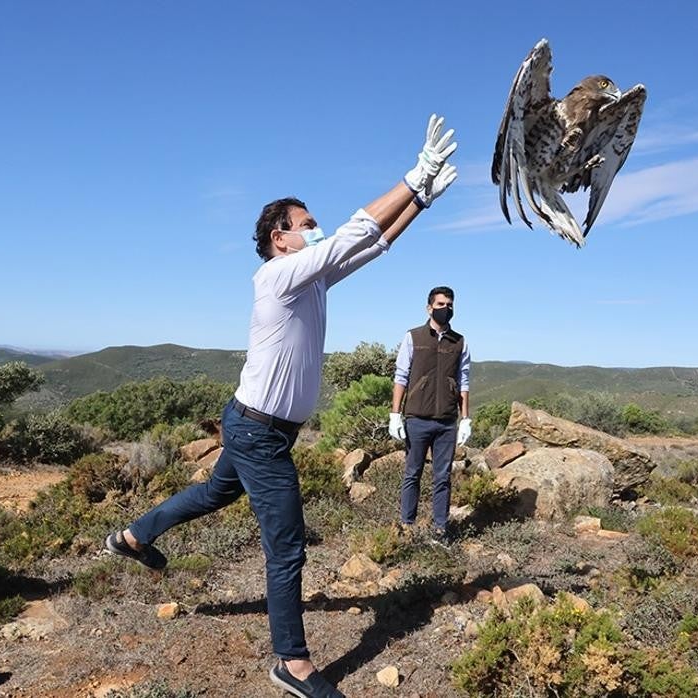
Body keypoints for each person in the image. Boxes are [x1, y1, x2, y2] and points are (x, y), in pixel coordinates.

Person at [103, 115, 458, 698]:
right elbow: (352, 232)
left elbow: (374, 241)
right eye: (306, 224)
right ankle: (290, 663)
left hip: (254, 423)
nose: (315, 231)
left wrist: (419, 199)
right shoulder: (275, 277)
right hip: (258, 432)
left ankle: (134, 537)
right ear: (280, 238)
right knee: (287, 543)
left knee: (212, 494)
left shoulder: (309, 280)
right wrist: (412, 174)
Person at [388, 285, 472, 545]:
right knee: (412, 473)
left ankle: (440, 530)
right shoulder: (413, 337)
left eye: (449, 305)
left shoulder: (460, 342)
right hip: (417, 418)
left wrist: (465, 418)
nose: (445, 309)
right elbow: (401, 376)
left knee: (442, 477)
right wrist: (395, 414)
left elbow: (464, 381)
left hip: (446, 422)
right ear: (429, 308)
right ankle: (407, 527)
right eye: (440, 305)